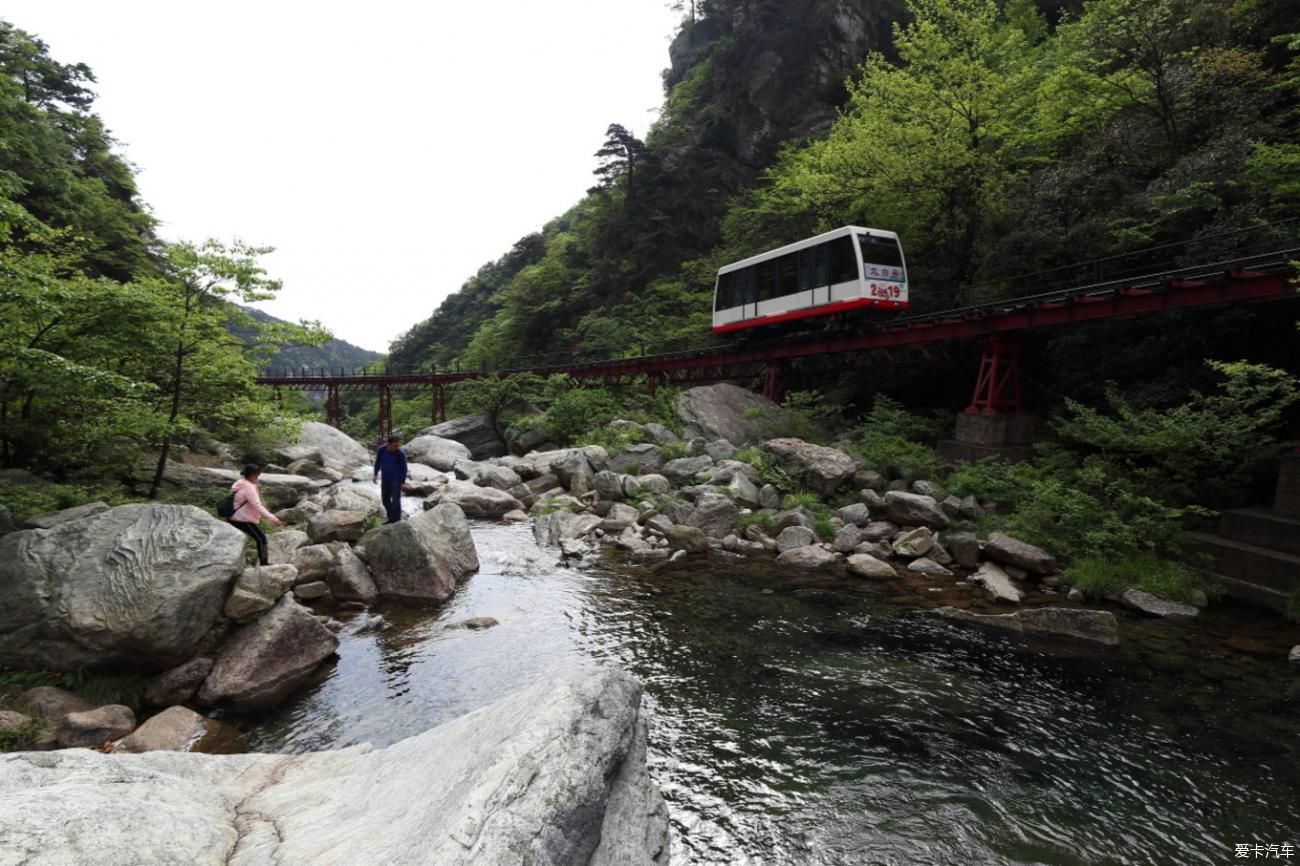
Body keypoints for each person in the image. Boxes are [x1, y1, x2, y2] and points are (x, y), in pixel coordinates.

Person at [229, 464, 283, 566]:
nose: (258, 477)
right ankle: (264, 563)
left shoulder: (240, 482)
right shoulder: (248, 487)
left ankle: (258, 561)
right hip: (241, 518)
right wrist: (273, 519)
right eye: (257, 474)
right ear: (252, 475)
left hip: (235, 516)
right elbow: (258, 506)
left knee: (258, 538)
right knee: (261, 539)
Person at [373, 434, 408, 524]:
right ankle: (391, 518)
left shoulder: (400, 454)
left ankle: (396, 520)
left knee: (396, 500)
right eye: (394, 446)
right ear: (388, 444)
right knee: (385, 500)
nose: (396, 447)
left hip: (396, 479)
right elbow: (377, 462)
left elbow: (404, 468)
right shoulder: (381, 450)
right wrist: (375, 474)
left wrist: (402, 482)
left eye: (398, 446)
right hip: (385, 478)